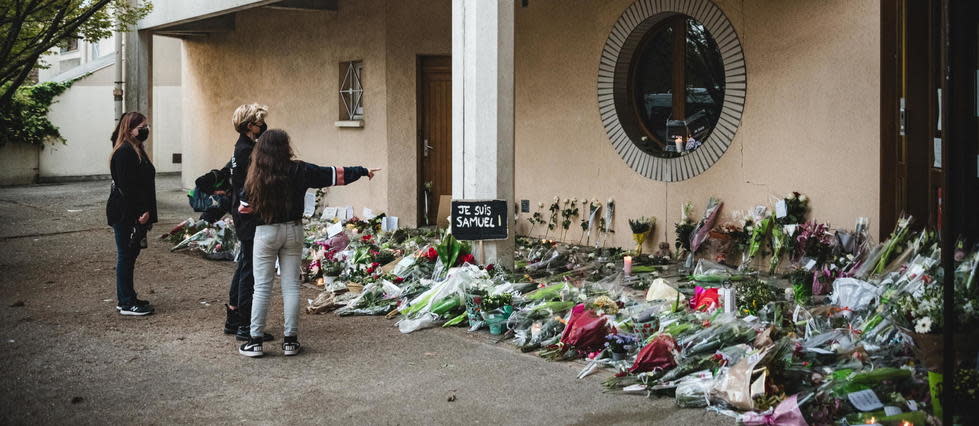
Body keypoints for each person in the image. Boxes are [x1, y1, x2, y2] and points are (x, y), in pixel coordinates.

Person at [237, 129, 379, 357]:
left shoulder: (256, 175)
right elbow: (333, 174)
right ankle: (290, 341)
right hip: (293, 230)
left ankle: (254, 342)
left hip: (265, 232)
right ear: (286, 147)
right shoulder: (299, 169)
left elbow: (244, 208)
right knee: (291, 286)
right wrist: (362, 171)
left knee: (262, 287)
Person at [225, 103, 274, 341]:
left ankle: (235, 317)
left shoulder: (241, 148)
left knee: (244, 264)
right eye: (259, 122)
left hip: (242, 213)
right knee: (250, 270)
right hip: (248, 216)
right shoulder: (247, 151)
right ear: (249, 126)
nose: (263, 126)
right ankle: (245, 323)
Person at [106, 112, 157, 316]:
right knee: (126, 256)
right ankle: (126, 302)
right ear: (128, 130)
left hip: (134, 213)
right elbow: (128, 188)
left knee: (130, 255)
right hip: (126, 213)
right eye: (141, 127)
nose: (146, 130)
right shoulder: (125, 152)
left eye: (147, 126)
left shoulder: (136, 149)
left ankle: (127, 297)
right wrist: (140, 212)